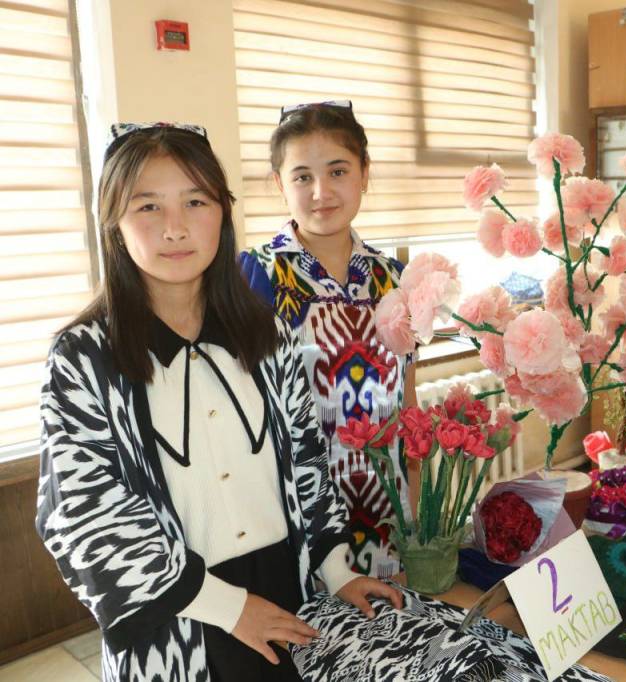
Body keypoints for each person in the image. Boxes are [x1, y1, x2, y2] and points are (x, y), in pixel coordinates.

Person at [36, 123, 400, 681]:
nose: (175, 227)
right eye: (148, 206)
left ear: (223, 213)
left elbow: (307, 462)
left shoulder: (267, 334)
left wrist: (338, 572)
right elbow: (83, 515)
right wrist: (228, 608)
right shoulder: (84, 358)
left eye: (196, 201)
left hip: (290, 598)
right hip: (176, 617)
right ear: (113, 222)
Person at [240, 101, 418, 579]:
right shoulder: (257, 275)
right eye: (302, 177)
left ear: (364, 173)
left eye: (338, 171)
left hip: (387, 505)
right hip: (300, 511)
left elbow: (408, 398)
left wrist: (418, 510)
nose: (321, 192)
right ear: (279, 184)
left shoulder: (392, 277)